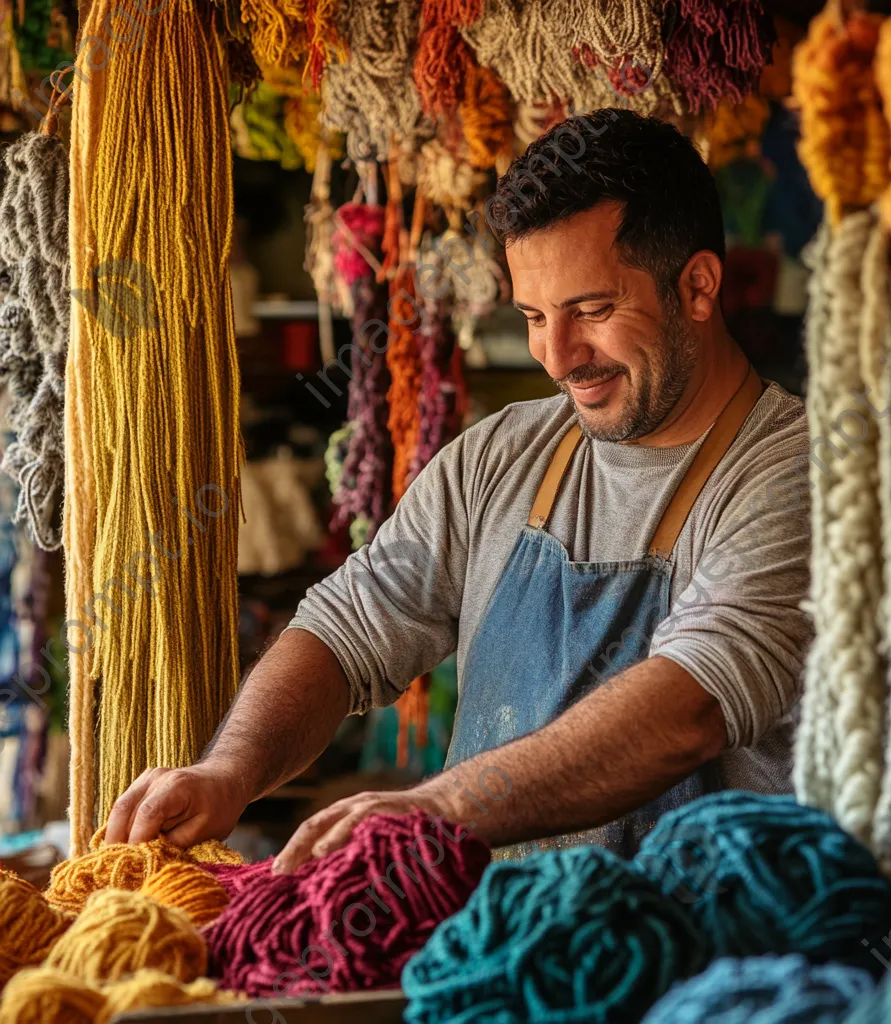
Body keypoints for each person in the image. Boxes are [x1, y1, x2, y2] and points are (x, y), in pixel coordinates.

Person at [105, 109, 812, 872]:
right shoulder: (503, 455)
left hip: (701, 970)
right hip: (490, 958)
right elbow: (346, 629)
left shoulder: (796, 471)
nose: (559, 356)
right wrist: (230, 771)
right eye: (535, 317)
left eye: (594, 310)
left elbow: (693, 704)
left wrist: (435, 808)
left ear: (698, 285)